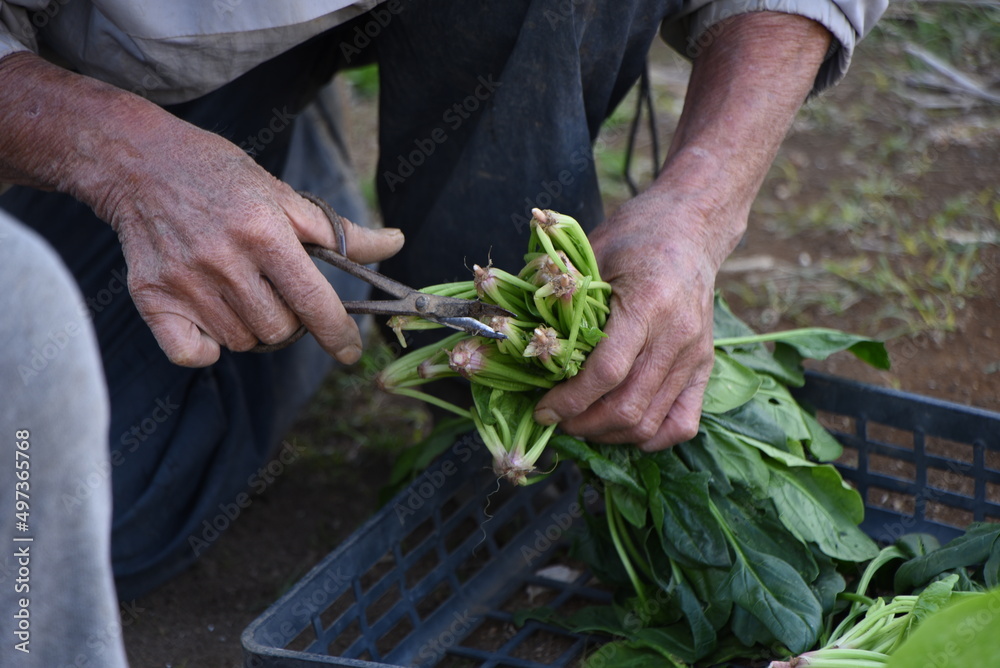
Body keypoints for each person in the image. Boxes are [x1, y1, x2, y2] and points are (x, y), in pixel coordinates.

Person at [0, 1, 887, 664]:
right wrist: (124, 160)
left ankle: (486, 418)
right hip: (81, 66)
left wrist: (701, 207)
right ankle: (269, 193)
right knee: (65, 531)